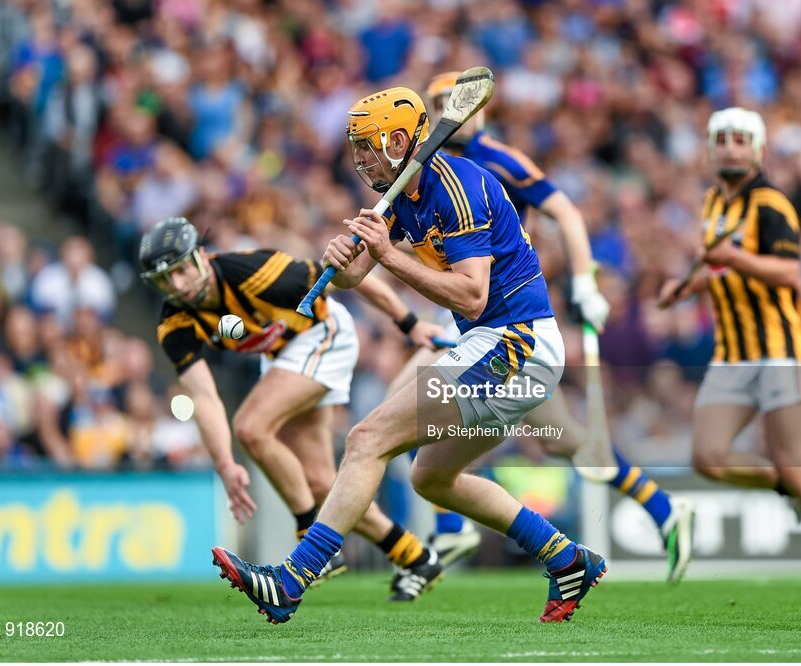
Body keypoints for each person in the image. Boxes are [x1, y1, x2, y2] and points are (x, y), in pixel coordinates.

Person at [212, 87, 606, 624]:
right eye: (355, 148)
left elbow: (472, 295)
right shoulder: (401, 194)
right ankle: (567, 558)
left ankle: (291, 580)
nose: (360, 159)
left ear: (400, 140)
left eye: (368, 146)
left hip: (517, 345)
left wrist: (388, 253)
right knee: (430, 479)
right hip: (490, 345)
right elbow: (356, 276)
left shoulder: (461, 187)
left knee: (367, 439)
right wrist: (342, 258)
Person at [383, 72, 694, 585]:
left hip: (503, 315)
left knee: (411, 408)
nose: (454, 110)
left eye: (460, 101)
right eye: (441, 103)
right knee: (560, 438)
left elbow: (566, 213)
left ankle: (451, 522)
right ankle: (660, 509)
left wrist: (585, 280)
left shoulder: (498, 159)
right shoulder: (419, 174)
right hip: (462, 313)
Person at [138, 216, 448, 601]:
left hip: (323, 334)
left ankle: (307, 538)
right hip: (283, 356)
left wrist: (409, 323)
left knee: (251, 426)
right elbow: (203, 396)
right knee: (321, 483)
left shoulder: (254, 272)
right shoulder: (174, 323)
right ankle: (416, 557)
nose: (179, 285)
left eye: (182, 269)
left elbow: (345, 276)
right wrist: (224, 464)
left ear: (201, 256)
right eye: (166, 279)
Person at [657, 107, 801, 591]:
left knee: (794, 457)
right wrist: (686, 287)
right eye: (722, 139)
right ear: (711, 149)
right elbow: (718, 272)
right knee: (708, 457)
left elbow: (790, 275)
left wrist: (732, 256)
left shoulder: (772, 203)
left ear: (759, 151)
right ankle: (790, 486)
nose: (731, 146)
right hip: (732, 353)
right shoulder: (712, 201)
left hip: (780, 351)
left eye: (740, 139)